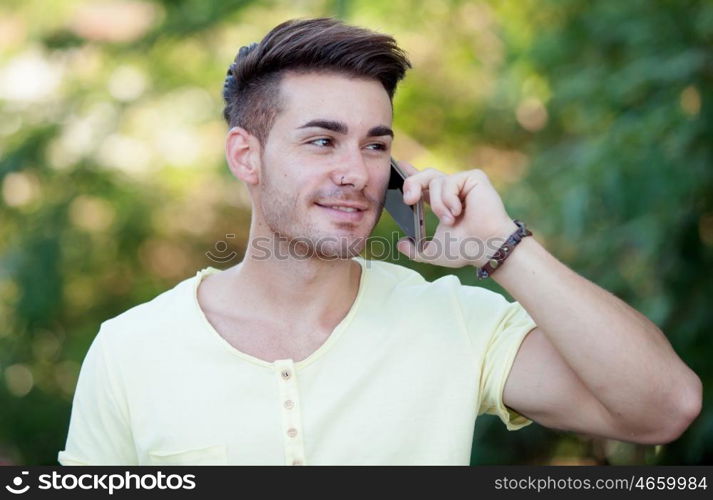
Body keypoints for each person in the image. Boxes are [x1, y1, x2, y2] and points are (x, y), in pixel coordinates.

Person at [58, 18, 702, 466]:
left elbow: (663, 408)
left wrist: (501, 247)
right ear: (245, 156)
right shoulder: (129, 349)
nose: (356, 171)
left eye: (376, 145)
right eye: (321, 140)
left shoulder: (454, 320)